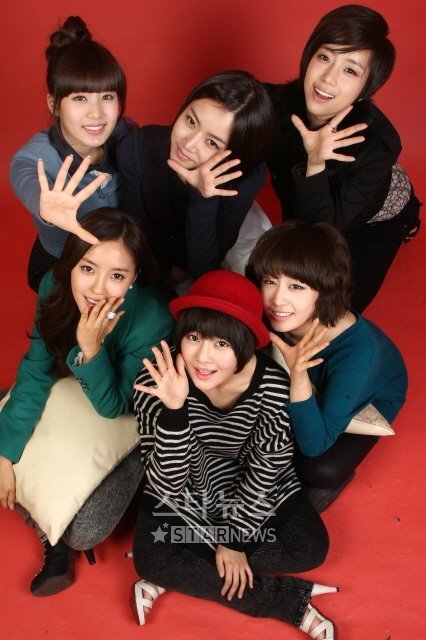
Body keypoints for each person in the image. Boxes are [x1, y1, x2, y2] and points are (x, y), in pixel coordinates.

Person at [131, 270, 338, 639]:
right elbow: (167, 485)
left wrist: (233, 539)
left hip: (251, 490)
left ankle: (184, 572)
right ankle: (287, 602)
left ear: (245, 345)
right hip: (187, 489)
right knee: (151, 560)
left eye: (222, 344)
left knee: (311, 548)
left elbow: (267, 469)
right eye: (194, 337)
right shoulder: (156, 383)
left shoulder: (273, 387)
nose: (202, 357)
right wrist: (175, 412)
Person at [0, 207, 174, 596]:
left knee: (86, 530)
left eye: (117, 276)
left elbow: (114, 406)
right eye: (87, 268)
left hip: (127, 413)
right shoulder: (53, 285)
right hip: (70, 387)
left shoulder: (153, 320)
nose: (97, 289)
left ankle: (59, 535)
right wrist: (5, 454)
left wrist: (91, 349)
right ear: (71, 265)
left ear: (134, 277)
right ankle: (48, 526)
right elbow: (36, 369)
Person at [264, 4, 421, 311]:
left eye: (350, 70)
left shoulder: (379, 143)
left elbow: (322, 232)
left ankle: (409, 219)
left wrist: (315, 162)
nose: (328, 78)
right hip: (338, 199)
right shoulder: (272, 103)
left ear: (366, 89)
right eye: (324, 57)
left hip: (380, 214)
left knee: (334, 311)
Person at [246, 220, 408, 511]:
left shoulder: (358, 353)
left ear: (325, 291)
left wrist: (298, 376)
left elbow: (315, 444)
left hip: (366, 399)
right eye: (270, 281)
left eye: (296, 286)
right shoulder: (272, 310)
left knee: (320, 468)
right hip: (306, 380)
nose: (277, 300)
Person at [116, 71, 276, 289]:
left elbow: (204, 267)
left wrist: (203, 197)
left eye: (212, 143)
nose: (188, 144)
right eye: (191, 121)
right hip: (158, 258)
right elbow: (138, 237)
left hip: (229, 249)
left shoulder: (243, 178)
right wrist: (173, 274)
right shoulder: (137, 148)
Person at [10, 15, 132, 291]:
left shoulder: (126, 134)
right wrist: (46, 207)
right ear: (54, 104)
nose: (96, 113)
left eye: (107, 96)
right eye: (79, 98)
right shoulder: (32, 159)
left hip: (120, 257)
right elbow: (28, 181)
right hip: (63, 262)